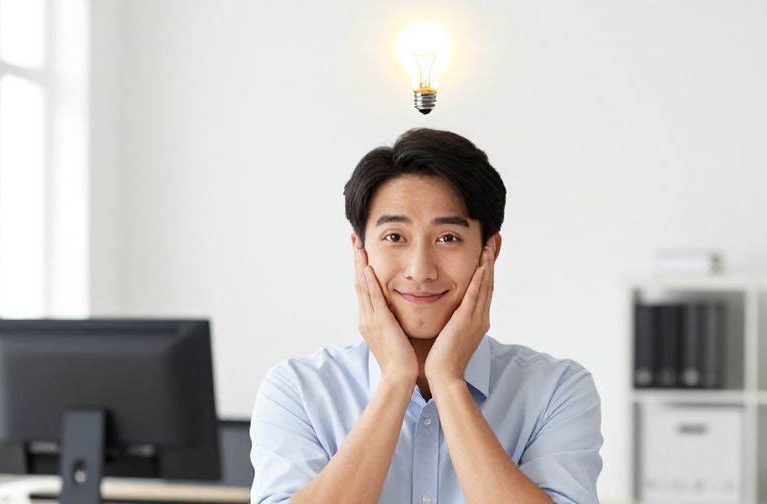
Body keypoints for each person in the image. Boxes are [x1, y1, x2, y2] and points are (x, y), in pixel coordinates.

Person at [249, 128, 603, 504]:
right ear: (360, 250)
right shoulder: (298, 391)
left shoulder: (556, 390)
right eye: (395, 237)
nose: (420, 271)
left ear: (489, 251)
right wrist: (395, 380)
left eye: (448, 238)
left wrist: (448, 382)